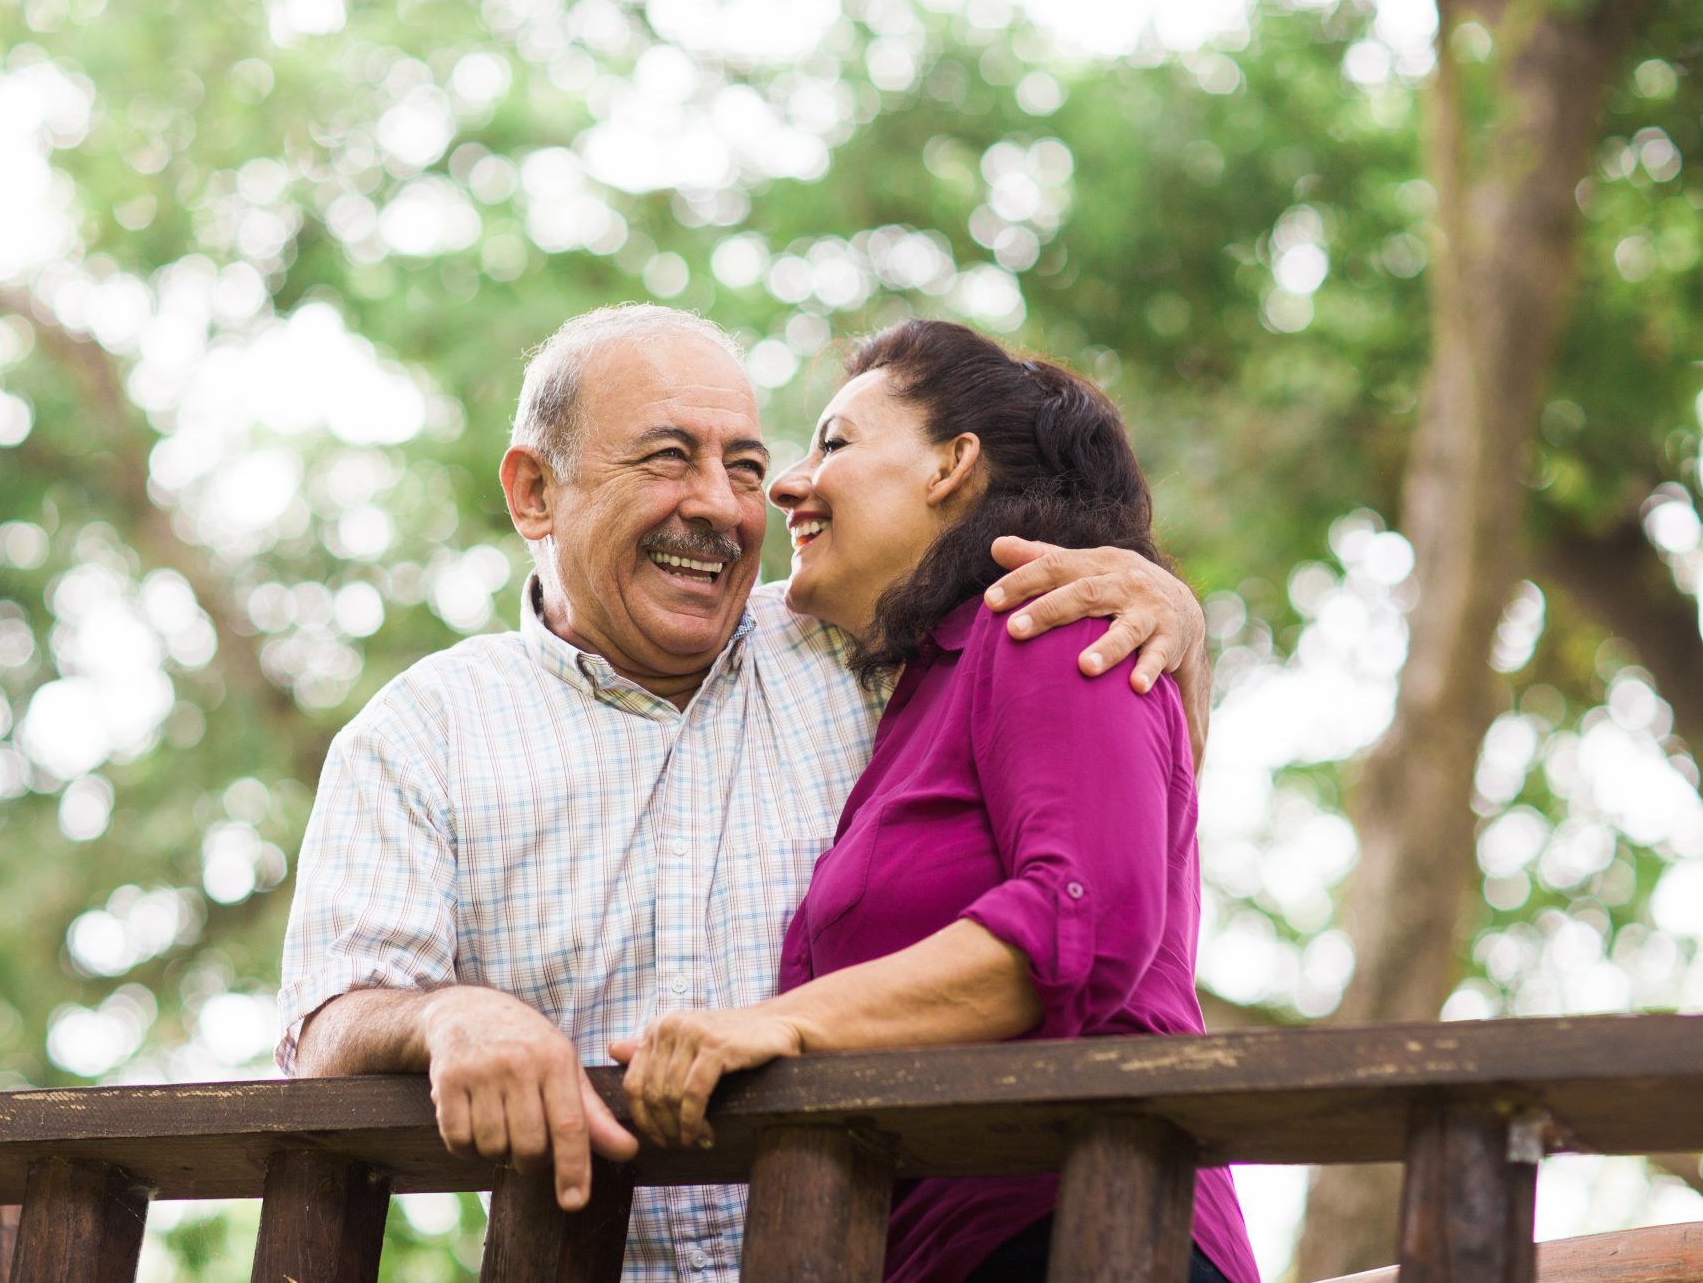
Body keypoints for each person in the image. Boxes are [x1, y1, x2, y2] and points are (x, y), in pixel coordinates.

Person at [277, 305, 1212, 1281]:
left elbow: (1108, 831)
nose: (725, 508)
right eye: (667, 458)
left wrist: (1168, 617)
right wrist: (446, 1019)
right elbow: (325, 1028)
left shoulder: (868, 638)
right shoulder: (419, 735)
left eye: (746, 468)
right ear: (533, 492)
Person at [611, 319, 1258, 1283]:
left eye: (834, 442)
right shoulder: (918, 691)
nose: (788, 483)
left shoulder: (1047, 623)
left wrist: (780, 1021)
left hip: (1086, 1231)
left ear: (952, 465)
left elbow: (1087, 918)